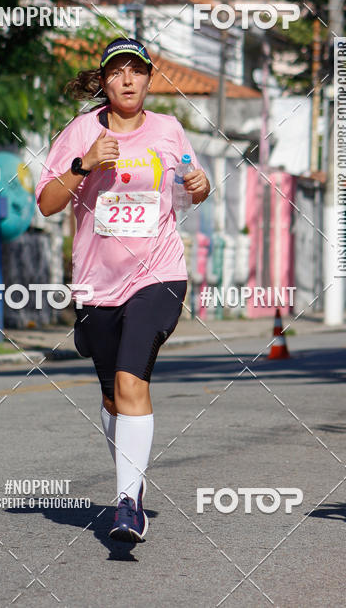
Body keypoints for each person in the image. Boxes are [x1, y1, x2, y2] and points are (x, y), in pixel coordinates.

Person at [35, 37, 211, 542]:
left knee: (133, 384)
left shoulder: (169, 130)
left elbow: (185, 189)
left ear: (150, 79)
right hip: (97, 285)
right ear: (105, 80)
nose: (128, 80)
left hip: (158, 273)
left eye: (137, 71)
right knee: (115, 398)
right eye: (118, 72)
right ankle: (129, 480)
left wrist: (198, 186)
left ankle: (129, 503)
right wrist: (84, 164)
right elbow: (47, 203)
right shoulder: (80, 133)